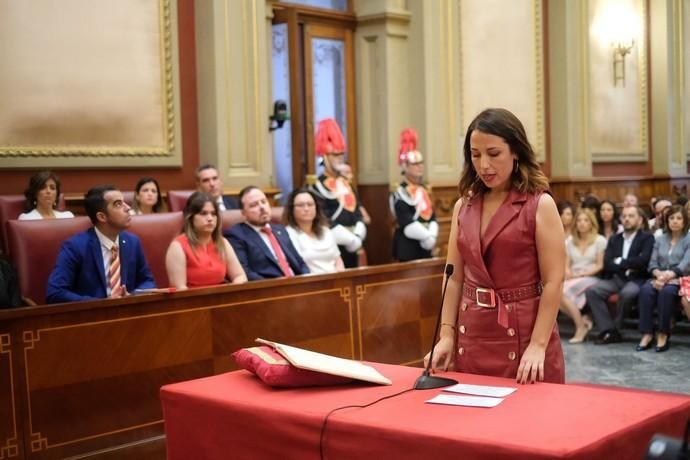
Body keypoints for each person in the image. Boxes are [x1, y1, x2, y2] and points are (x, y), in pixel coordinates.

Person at [425, 108, 565, 384]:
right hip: (474, 332)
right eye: (475, 155)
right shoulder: (462, 207)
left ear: (515, 152)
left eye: (493, 153)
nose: (484, 165)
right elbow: (453, 278)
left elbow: (554, 281)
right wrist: (446, 336)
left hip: (524, 334)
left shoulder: (539, 204)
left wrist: (538, 345)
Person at [46, 185, 155, 303]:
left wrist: (133, 296)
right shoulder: (75, 247)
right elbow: (55, 293)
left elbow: (147, 281)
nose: (128, 208)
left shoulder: (133, 242)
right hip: (92, 317)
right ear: (102, 217)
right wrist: (101, 303)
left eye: (124, 202)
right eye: (118, 204)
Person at [584, 206, 654, 344]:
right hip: (617, 278)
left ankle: (615, 328)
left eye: (631, 216)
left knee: (627, 293)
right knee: (592, 291)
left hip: (637, 279)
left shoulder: (647, 238)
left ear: (640, 220)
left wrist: (620, 261)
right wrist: (628, 265)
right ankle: (609, 329)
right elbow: (608, 263)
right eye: (625, 216)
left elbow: (643, 261)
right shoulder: (614, 239)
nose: (627, 219)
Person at [309, 118, 367, 268]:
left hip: (354, 241)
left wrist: (359, 231)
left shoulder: (346, 183)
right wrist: (346, 237)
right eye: (335, 155)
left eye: (341, 155)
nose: (340, 158)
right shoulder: (317, 186)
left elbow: (357, 209)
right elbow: (322, 216)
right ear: (325, 157)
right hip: (331, 244)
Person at [635, 205, 690, 353]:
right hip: (659, 277)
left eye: (679, 218)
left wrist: (668, 276)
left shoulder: (688, 239)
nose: (675, 221)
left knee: (666, 293)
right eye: (672, 218)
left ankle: (663, 333)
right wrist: (659, 274)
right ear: (667, 220)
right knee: (646, 290)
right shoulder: (659, 239)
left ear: (685, 221)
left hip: (679, 278)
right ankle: (647, 334)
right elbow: (652, 263)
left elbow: (685, 264)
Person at [224, 186, 309, 280]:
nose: (262, 207)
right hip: (270, 289)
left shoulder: (280, 230)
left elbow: (300, 263)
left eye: (263, 202)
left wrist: (306, 280)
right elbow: (245, 272)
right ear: (244, 214)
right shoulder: (236, 235)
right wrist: (272, 285)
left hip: (297, 285)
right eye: (254, 205)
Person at [166, 192, 247, 289]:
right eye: (203, 213)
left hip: (222, 299)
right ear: (191, 217)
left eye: (213, 214)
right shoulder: (178, 246)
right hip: (192, 301)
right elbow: (179, 289)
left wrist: (231, 291)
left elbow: (240, 276)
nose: (210, 219)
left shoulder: (222, 242)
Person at [390, 128, 438, 261]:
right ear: (405, 166)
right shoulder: (399, 192)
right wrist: (426, 236)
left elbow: (432, 215)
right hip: (408, 247)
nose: (420, 166)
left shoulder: (424, 189)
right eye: (415, 164)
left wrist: (432, 236)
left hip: (426, 247)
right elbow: (405, 220)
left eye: (421, 163)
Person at [561, 209, 606, 343]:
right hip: (573, 276)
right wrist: (568, 272)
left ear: (591, 223)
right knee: (554, 290)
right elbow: (566, 264)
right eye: (579, 220)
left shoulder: (600, 240)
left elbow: (600, 265)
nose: (582, 223)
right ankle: (582, 320)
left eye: (586, 220)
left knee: (560, 292)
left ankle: (580, 327)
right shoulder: (570, 241)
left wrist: (582, 273)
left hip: (591, 277)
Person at [284, 187, 344, 274]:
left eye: (310, 204)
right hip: (310, 283)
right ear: (291, 210)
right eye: (301, 205)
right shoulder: (288, 234)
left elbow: (338, 260)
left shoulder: (326, 231)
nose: (306, 209)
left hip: (335, 283)